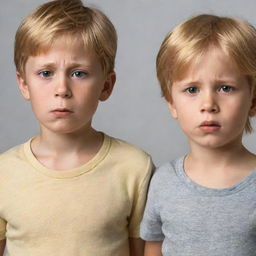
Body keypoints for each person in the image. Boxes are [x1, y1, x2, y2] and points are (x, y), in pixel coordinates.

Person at [0, 0, 153, 255]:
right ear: (24, 84)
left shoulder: (134, 168)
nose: (62, 89)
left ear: (106, 86)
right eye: (46, 73)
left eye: (79, 73)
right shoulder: (4, 173)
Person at [140, 14, 256, 256]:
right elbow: (153, 247)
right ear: (172, 103)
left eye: (226, 88)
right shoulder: (163, 181)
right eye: (192, 89)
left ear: (253, 100)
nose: (208, 104)